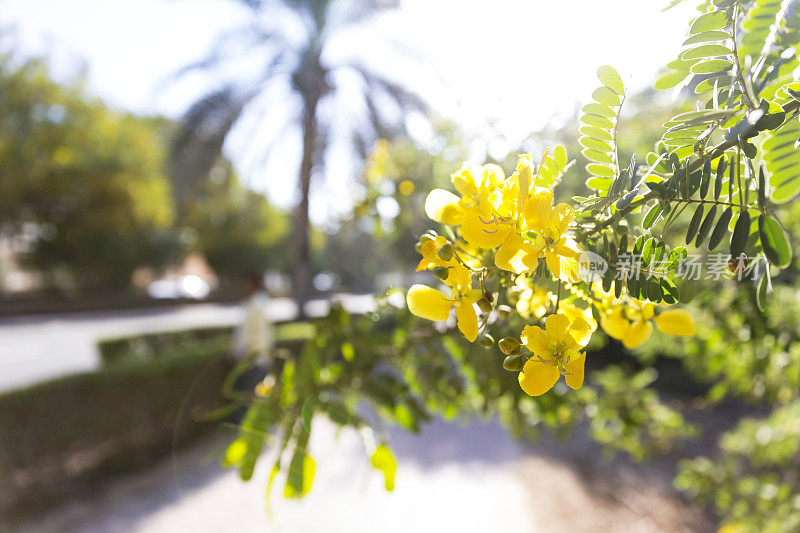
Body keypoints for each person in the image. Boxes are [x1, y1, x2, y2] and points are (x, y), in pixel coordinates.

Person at [229, 273, 274, 418]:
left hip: (253, 361)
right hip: (250, 359)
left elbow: (257, 336)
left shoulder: (257, 306)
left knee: (251, 399)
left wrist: (247, 359)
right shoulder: (251, 303)